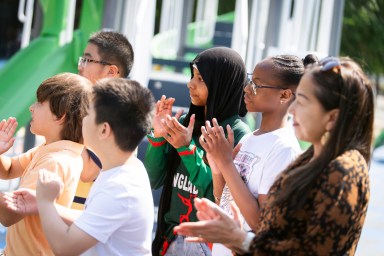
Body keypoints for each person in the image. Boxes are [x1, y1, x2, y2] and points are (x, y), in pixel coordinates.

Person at [174, 56, 374, 255]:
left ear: (332, 118)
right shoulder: (312, 160)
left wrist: (239, 239)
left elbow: (307, 249)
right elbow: (273, 232)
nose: (293, 109)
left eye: (302, 101)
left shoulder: (343, 170)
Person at [199, 55, 316, 255]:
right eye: (250, 81)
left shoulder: (284, 148)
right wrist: (218, 168)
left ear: (285, 95)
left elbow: (260, 223)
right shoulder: (249, 139)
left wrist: (227, 163)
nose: (246, 88)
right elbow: (224, 203)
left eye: (256, 85)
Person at [145, 47, 251, 255]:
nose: (190, 83)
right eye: (192, 75)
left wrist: (186, 148)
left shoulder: (236, 133)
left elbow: (217, 197)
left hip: (206, 245)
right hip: (170, 238)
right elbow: (152, 180)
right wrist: (158, 136)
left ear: (222, 85)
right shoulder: (186, 124)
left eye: (201, 79)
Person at [35, 78, 155, 255]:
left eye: (88, 113)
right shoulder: (128, 168)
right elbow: (92, 220)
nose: (83, 119)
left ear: (104, 130)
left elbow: (64, 247)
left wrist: (45, 201)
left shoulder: (120, 188)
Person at [0, 73, 91, 255]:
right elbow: (9, 170)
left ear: (60, 115)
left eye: (40, 103)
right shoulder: (51, 149)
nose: (31, 108)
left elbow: (9, 216)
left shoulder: (54, 162)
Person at [74, 30, 135, 210]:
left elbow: (88, 171)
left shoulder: (119, 115)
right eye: (82, 59)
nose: (80, 66)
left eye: (87, 60)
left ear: (111, 71)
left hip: (83, 220)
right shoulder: (89, 106)